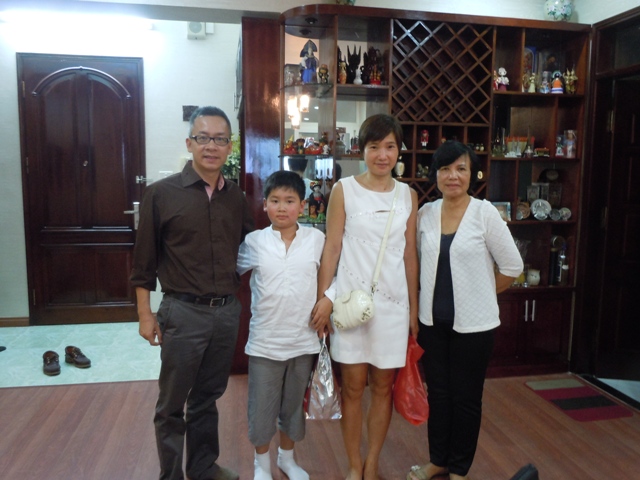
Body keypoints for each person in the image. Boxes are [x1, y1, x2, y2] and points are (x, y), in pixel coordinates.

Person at [130, 106, 254, 480]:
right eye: (203, 138)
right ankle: (170, 476)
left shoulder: (236, 197)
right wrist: (145, 314)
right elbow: (143, 262)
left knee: (207, 397)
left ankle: (202, 467)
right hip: (182, 312)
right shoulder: (161, 194)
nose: (211, 146)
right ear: (190, 143)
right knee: (171, 404)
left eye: (219, 139)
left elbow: (249, 249)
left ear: (229, 146)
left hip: (226, 312)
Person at [311, 113, 419, 480]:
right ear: (362, 150)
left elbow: (409, 255)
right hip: (350, 304)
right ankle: (354, 466)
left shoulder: (408, 195)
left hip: (393, 306)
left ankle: (372, 462)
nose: (382, 155)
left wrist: (413, 309)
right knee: (354, 388)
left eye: (390, 147)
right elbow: (332, 248)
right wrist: (323, 299)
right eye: (374, 147)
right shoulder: (344, 190)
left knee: (384, 387)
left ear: (399, 151)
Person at [407, 141, 523, 480]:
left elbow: (512, 266)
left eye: (461, 168)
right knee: (439, 396)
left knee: (466, 398)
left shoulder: (485, 214)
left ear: (472, 174)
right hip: (432, 325)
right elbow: (415, 263)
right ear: (436, 175)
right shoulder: (425, 215)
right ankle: (438, 461)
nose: (452, 176)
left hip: (475, 328)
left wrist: (481, 293)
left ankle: (459, 469)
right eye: (445, 169)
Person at [237, 170, 325, 480]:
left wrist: (328, 300)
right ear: (264, 205)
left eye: (290, 201)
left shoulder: (316, 240)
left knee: (293, 408)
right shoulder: (254, 242)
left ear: (302, 205)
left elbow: (334, 274)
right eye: (275, 200)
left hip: (303, 341)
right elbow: (227, 271)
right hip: (265, 342)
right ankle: (261, 465)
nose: (282, 207)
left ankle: (287, 459)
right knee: (261, 408)